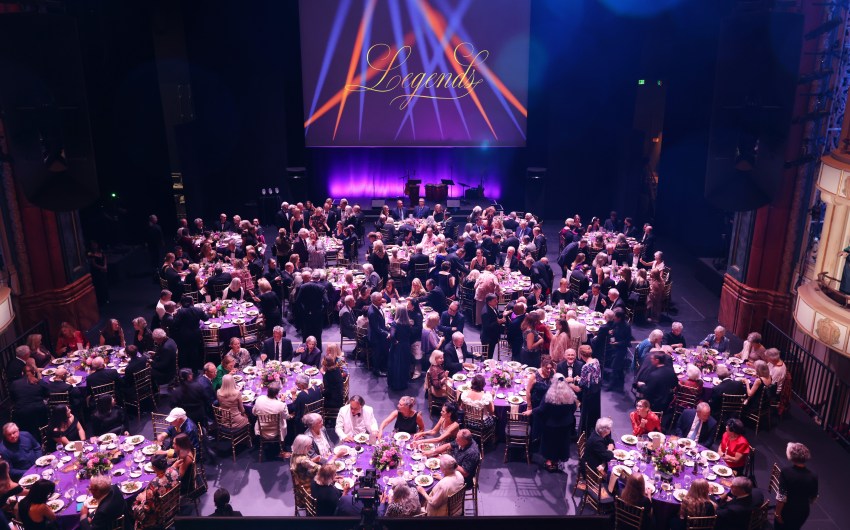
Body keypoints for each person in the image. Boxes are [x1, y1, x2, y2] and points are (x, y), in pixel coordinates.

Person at [535, 374, 577, 471]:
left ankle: (550, 462)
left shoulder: (549, 395)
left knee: (550, 443)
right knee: (561, 443)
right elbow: (574, 408)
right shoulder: (569, 394)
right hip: (565, 425)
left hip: (551, 425)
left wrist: (532, 411)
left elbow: (541, 410)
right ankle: (557, 460)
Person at [775, 442, 818, 530]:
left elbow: (782, 497)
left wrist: (777, 513)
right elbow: (813, 497)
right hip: (803, 511)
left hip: (787, 510)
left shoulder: (786, 472)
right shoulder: (813, 475)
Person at [133, 454, 180, 528]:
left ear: (154, 468)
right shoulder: (174, 471)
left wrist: (142, 500)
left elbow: (148, 510)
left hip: (160, 517)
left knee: (134, 504)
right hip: (174, 506)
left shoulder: (153, 485)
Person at [10, 365, 49, 439]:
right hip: (38, 411)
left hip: (21, 413)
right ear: (34, 373)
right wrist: (40, 379)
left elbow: (13, 399)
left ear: (22, 373)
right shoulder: (38, 382)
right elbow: (47, 393)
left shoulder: (14, 384)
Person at [171, 294, 206, 370]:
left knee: (184, 352)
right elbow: (206, 318)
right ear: (192, 302)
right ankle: (195, 370)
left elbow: (175, 324)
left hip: (183, 336)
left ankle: (185, 369)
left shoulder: (180, 312)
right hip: (196, 335)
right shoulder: (198, 310)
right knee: (195, 351)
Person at [577, 345, 602, 436]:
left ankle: (586, 434)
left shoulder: (585, 366)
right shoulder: (596, 361)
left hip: (589, 393)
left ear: (581, 355)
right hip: (596, 391)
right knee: (594, 413)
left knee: (587, 414)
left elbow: (582, 383)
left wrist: (577, 379)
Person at [387, 303, 413, 391]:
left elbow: (392, 335)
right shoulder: (408, 324)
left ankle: (395, 384)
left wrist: (395, 342)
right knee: (404, 365)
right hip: (406, 346)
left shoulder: (395, 324)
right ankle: (403, 383)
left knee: (396, 365)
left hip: (397, 347)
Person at [480, 293, 504, 361]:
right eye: (495, 300)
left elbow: (496, 316)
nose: (497, 302)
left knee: (490, 356)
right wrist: (498, 322)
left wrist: (503, 314)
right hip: (488, 338)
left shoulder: (492, 307)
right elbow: (487, 327)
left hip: (492, 337)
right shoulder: (486, 312)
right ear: (489, 302)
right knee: (486, 357)